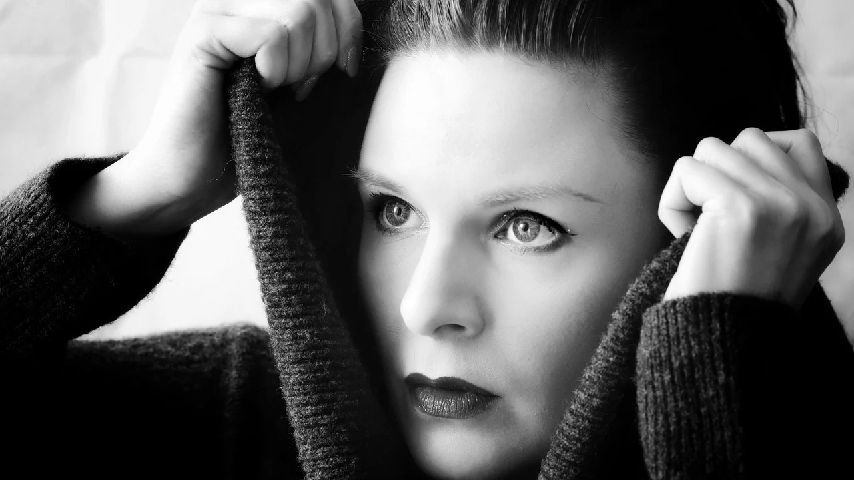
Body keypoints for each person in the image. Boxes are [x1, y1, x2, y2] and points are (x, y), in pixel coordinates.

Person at [2, 0, 853, 478]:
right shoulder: (230, 424)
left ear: (684, 240)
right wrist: (139, 195)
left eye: (526, 227)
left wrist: (723, 366)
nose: (425, 306)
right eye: (393, 212)